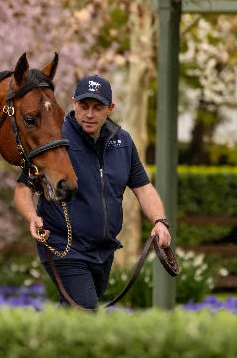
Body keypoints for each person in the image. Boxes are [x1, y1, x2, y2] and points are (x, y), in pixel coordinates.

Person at [14, 74, 172, 309]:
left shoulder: (123, 142)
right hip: (63, 245)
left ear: (110, 108)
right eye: (84, 106)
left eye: (97, 107)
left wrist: (160, 221)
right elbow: (22, 189)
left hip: (104, 250)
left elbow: (144, 188)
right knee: (85, 309)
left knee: (74, 314)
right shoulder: (56, 137)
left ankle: (39, 342)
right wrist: (31, 216)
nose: (89, 114)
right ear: (74, 103)